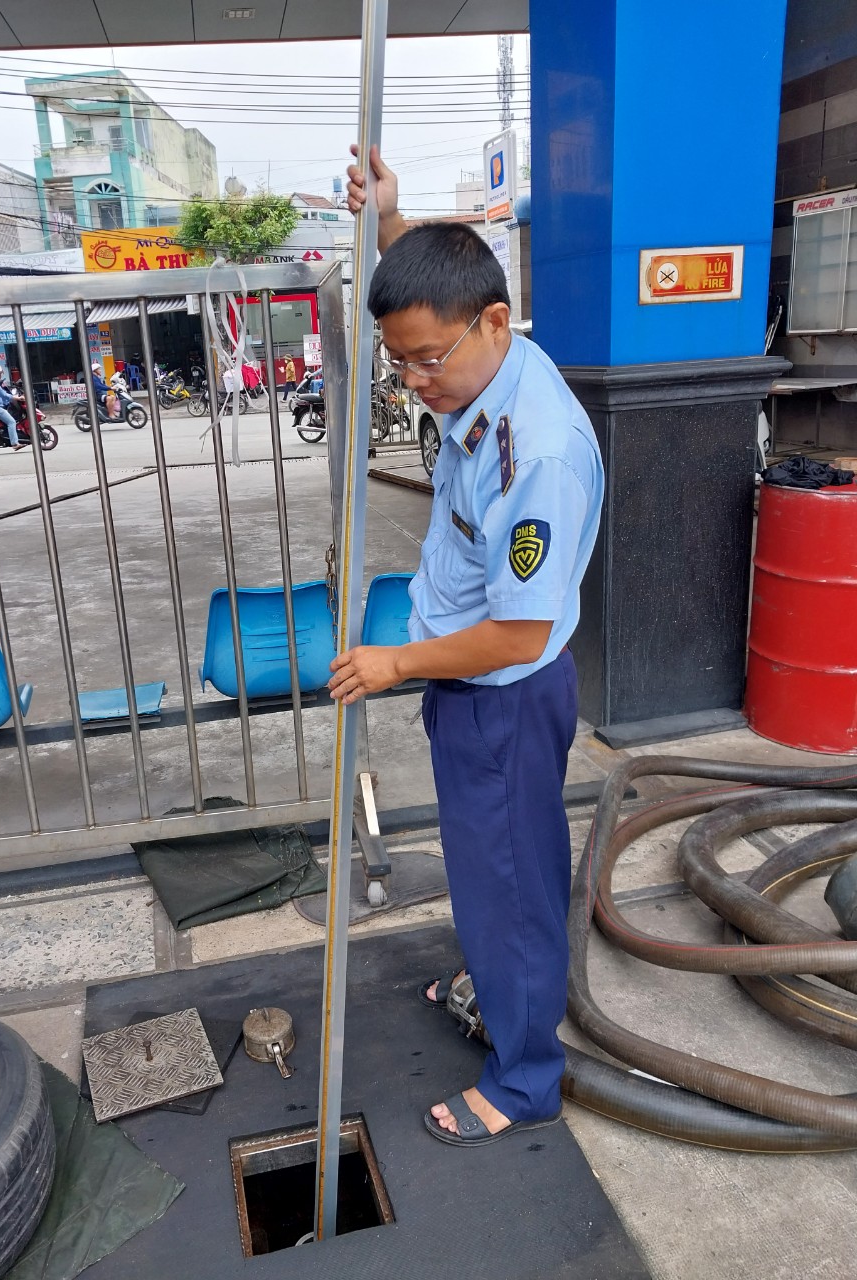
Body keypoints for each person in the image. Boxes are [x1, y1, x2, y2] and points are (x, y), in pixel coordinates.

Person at [332, 146, 605, 1147]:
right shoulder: (479, 354)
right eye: (400, 359)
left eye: (427, 359)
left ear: (495, 322)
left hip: (500, 689)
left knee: (509, 878)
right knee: (492, 864)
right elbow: (431, 297)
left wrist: (396, 661)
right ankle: (500, 983)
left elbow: (521, 626)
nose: (414, 380)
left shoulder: (537, 454)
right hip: (471, 683)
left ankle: (526, 1075)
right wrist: (393, 221)